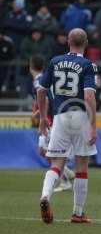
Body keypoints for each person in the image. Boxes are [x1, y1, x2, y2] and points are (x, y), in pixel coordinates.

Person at [37, 28, 97, 224]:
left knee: (56, 164)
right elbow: (88, 96)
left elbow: (41, 90)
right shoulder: (87, 64)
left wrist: (42, 117)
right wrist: (93, 125)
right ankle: (77, 213)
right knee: (81, 166)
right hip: (80, 116)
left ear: (68, 42)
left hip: (60, 116)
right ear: (85, 43)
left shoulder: (54, 61)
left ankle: (45, 195)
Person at [30, 55, 75, 193]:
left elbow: (46, 100)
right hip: (53, 118)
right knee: (46, 152)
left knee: (49, 152)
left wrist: (39, 116)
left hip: (49, 119)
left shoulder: (38, 81)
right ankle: (67, 172)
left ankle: (65, 180)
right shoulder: (45, 77)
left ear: (30, 66)